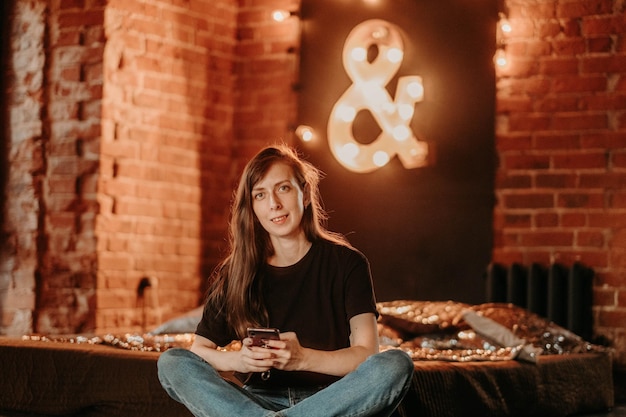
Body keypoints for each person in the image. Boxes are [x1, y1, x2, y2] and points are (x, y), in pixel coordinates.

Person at [157, 144, 414, 417]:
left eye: (283, 188)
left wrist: (302, 358)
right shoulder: (236, 271)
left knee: (396, 364)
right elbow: (201, 350)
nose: (273, 204)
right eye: (260, 195)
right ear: (253, 207)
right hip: (255, 403)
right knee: (172, 362)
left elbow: (366, 354)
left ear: (304, 194)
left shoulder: (348, 263)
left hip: (332, 400)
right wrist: (239, 360)